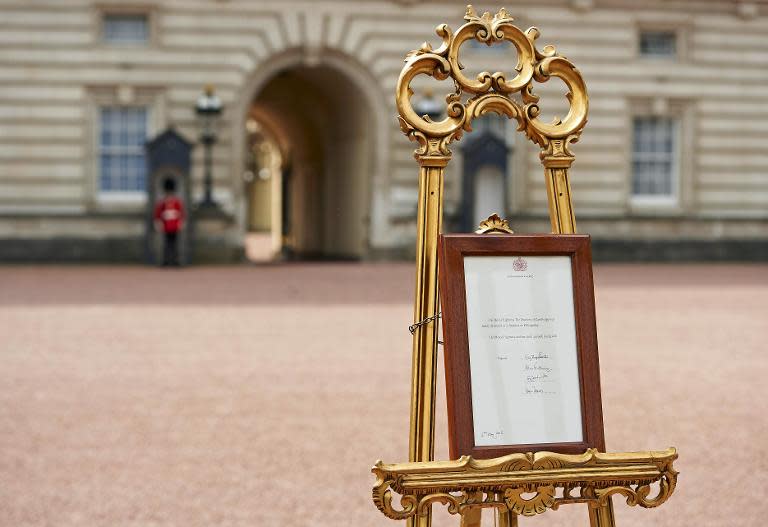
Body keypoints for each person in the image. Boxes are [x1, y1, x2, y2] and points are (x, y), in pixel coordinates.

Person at [153, 177, 185, 266]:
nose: (169, 195)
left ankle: (175, 261)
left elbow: (181, 213)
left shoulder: (176, 202)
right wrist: (158, 222)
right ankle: (165, 261)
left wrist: (181, 222)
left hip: (174, 225)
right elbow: (158, 213)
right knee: (166, 245)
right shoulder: (162, 203)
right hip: (166, 226)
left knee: (175, 244)